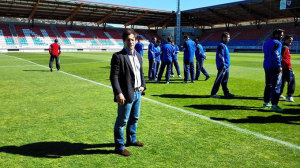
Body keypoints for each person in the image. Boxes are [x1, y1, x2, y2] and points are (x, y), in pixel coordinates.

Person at [110, 29, 146, 156]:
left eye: (133, 39)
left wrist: (143, 85)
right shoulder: (118, 56)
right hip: (125, 94)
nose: (131, 42)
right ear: (124, 41)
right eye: (128, 40)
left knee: (134, 118)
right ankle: (119, 146)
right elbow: (113, 77)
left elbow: (140, 73)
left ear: (136, 41)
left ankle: (132, 139)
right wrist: (118, 93)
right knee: (122, 121)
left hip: (137, 93)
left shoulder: (139, 56)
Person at [263, 29, 284, 112]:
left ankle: (266, 102)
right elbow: (277, 54)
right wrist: (279, 65)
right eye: (281, 35)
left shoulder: (266, 42)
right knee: (276, 85)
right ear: (276, 35)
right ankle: (274, 105)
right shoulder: (278, 43)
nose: (282, 37)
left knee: (268, 85)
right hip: (274, 66)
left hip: (266, 65)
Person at [210, 32, 234, 98]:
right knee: (219, 80)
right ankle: (213, 93)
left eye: (229, 37)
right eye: (228, 37)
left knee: (224, 81)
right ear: (223, 38)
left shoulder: (224, 45)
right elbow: (221, 55)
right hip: (223, 66)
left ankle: (226, 93)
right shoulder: (221, 45)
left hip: (226, 66)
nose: (229, 39)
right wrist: (223, 64)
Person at [280, 35, 295, 102]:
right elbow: (280, 57)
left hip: (283, 68)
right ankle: (289, 95)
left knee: (283, 81)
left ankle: (279, 93)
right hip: (286, 67)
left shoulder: (284, 46)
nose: (290, 41)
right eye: (289, 40)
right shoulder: (284, 47)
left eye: (291, 40)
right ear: (285, 40)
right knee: (291, 81)